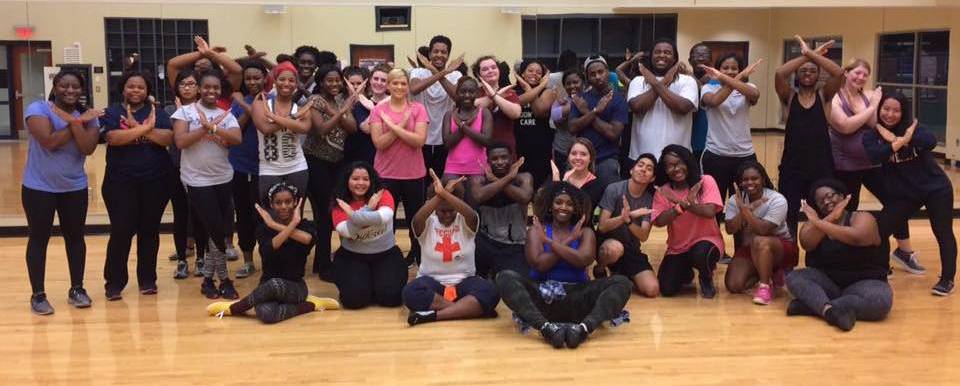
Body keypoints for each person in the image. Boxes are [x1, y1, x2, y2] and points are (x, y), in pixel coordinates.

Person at [496, 182, 632, 349]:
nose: (564, 207)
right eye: (558, 202)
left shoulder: (585, 232)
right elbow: (539, 265)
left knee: (622, 282)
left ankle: (583, 329)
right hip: (542, 297)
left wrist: (549, 243)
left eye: (569, 204)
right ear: (550, 206)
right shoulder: (537, 230)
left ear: (575, 209)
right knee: (505, 277)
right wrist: (566, 241)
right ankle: (546, 328)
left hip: (578, 296)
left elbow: (584, 259)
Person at [22, 69, 102, 315]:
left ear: (82, 90)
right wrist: (77, 122)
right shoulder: (38, 109)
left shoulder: (89, 116)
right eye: (65, 85)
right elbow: (50, 141)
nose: (70, 90)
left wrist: (76, 120)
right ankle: (38, 294)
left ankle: (77, 289)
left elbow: (88, 148)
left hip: (74, 187)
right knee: (39, 238)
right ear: (55, 87)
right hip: (38, 187)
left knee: (76, 238)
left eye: (76, 86)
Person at [205, 182, 341, 323]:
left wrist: (278, 224)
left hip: (296, 287)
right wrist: (274, 226)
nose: (283, 206)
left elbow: (307, 239)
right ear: (272, 205)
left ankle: (234, 307)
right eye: (278, 203)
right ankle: (311, 305)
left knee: (275, 284)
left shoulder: (306, 226)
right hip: (267, 285)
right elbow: (269, 248)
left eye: (288, 202)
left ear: (295, 202)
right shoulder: (263, 229)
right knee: (267, 314)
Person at [865, 91, 956, 295]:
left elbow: (930, 141)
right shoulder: (871, 135)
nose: (890, 114)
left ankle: (948, 279)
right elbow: (874, 156)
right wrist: (899, 141)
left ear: (903, 112)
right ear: (879, 110)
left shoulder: (912, 127)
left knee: (943, 232)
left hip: (936, 188)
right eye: (886, 109)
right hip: (905, 194)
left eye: (896, 110)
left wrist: (905, 137)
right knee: (879, 229)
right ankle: (880, 272)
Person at [827, 58, 915, 269]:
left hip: (873, 163)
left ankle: (904, 251)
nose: (861, 77)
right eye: (857, 72)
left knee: (895, 202)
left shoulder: (867, 96)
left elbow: (876, 123)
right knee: (848, 210)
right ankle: (844, 253)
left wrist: (870, 111)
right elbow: (845, 126)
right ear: (846, 73)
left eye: (865, 74)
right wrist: (874, 106)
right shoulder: (834, 99)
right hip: (845, 166)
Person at [100, 71, 173, 299]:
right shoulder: (112, 112)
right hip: (120, 183)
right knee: (122, 231)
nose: (135, 91)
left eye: (141, 87)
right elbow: (113, 138)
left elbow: (167, 139)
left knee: (149, 231)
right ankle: (114, 283)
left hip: (156, 181)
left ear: (147, 91)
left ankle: (147, 279)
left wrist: (134, 130)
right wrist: (144, 129)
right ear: (123, 89)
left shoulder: (157, 113)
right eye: (131, 86)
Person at [172, 70, 243, 300]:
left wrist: (213, 127)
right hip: (196, 180)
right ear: (199, 89)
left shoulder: (225, 114)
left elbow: (236, 139)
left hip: (223, 177)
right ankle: (224, 280)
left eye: (216, 88)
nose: (211, 91)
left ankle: (207, 280)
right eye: (207, 87)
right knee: (216, 229)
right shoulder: (185, 112)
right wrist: (203, 127)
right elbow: (181, 141)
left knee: (220, 231)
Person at [786, 179, 892, 332]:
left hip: (865, 283)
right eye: (820, 201)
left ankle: (816, 306)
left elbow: (857, 237)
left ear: (842, 197)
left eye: (830, 196)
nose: (827, 201)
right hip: (829, 283)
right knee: (794, 277)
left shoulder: (862, 217)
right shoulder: (816, 225)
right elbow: (807, 243)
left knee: (882, 300)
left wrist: (820, 223)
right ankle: (830, 311)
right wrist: (830, 218)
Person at [403, 170, 500, 326]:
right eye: (442, 210)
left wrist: (446, 195)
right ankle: (468, 310)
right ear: (434, 206)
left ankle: (433, 316)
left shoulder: (466, 220)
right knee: (410, 292)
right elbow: (417, 219)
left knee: (491, 291)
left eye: (451, 210)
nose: (447, 215)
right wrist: (441, 194)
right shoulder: (427, 222)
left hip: (465, 283)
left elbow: (471, 215)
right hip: (432, 284)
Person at [775, 36, 842, 239]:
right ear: (798, 73)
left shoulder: (824, 95)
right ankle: (790, 256)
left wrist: (812, 54)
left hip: (821, 166)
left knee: (823, 213)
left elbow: (838, 73)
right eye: (804, 69)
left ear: (818, 75)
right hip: (792, 166)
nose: (807, 73)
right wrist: (805, 56)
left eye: (813, 70)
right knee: (790, 214)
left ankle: (821, 257)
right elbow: (780, 73)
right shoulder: (789, 96)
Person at [369, 68, 429, 266]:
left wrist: (395, 126)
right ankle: (387, 258)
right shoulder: (379, 110)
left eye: (403, 83)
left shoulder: (418, 108)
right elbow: (379, 143)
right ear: (388, 86)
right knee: (387, 220)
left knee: (416, 218)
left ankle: (418, 256)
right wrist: (402, 125)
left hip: (413, 173)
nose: (399, 87)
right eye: (395, 83)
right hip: (386, 174)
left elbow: (419, 140)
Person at [304, 64, 359, 279]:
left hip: (337, 163)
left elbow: (352, 128)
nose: (334, 84)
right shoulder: (315, 101)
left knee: (335, 211)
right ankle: (324, 264)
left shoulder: (341, 101)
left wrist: (337, 111)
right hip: (316, 161)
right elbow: (321, 130)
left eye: (337, 80)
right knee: (324, 214)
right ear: (321, 82)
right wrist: (339, 113)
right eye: (329, 80)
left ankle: (324, 260)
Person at [331, 162, 408, 309]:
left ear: (372, 180)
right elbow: (347, 232)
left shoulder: (383, 194)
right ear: (347, 180)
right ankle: (368, 284)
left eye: (365, 179)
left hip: (385, 254)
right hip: (352, 256)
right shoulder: (340, 202)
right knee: (354, 301)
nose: (360, 183)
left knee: (391, 298)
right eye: (355, 179)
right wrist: (369, 208)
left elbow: (384, 217)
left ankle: (374, 283)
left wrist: (353, 216)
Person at [651, 145, 724, 298]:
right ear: (665, 170)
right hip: (678, 247)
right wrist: (679, 208)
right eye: (670, 166)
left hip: (707, 240)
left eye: (679, 163)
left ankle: (706, 277)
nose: (675, 168)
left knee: (701, 253)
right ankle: (686, 272)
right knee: (667, 289)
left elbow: (710, 212)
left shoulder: (705, 181)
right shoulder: (664, 190)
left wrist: (682, 203)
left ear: (688, 162)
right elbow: (659, 221)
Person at [722, 161, 798, 305]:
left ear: (763, 179)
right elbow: (730, 229)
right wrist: (746, 209)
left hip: (781, 247)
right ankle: (770, 272)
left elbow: (762, 230)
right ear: (740, 182)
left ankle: (764, 286)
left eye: (754, 178)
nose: (749, 182)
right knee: (734, 285)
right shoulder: (735, 199)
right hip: (750, 248)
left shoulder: (777, 199)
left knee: (759, 240)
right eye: (745, 179)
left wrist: (745, 211)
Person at [698, 54, 762, 220]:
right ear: (718, 70)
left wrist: (730, 79)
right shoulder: (707, 88)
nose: (730, 71)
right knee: (714, 207)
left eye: (735, 68)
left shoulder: (749, 87)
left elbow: (754, 95)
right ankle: (715, 245)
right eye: (725, 68)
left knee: (743, 208)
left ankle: (741, 246)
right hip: (716, 155)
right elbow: (714, 101)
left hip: (745, 156)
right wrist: (736, 78)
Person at [595, 154, 659, 297]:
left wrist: (628, 221)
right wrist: (624, 217)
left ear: (652, 178)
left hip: (631, 248)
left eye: (649, 169)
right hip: (609, 243)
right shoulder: (614, 189)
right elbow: (602, 227)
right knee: (615, 249)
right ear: (631, 170)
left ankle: (623, 273)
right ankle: (599, 269)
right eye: (640, 165)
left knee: (652, 289)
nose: (643, 170)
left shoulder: (649, 199)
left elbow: (643, 236)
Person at [627, 39, 699, 161]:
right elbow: (637, 108)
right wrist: (663, 82)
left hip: (678, 157)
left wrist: (655, 83)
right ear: (651, 57)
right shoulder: (638, 81)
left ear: (675, 58)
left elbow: (683, 108)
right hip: (643, 156)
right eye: (657, 52)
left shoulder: (687, 81)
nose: (662, 55)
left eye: (667, 52)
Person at [227, 61, 268, 278]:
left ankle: (268, 260)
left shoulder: (272, 100)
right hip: (240, 166)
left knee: (265, 216)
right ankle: (248, 261)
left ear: (265, 78)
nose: (252, 82)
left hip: (266, 168)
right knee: (243, 215)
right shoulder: (238, 103)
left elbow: (266, 123)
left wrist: (244, 104)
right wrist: (245, 106)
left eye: (257, 77)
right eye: (248, 78)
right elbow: (237, 129)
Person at [470, 143, 532, 278]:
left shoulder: (524, 177)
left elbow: (525, 197)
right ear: (488, 161)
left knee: (516, 281)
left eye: (504, 158)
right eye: (495, 159)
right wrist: (507, 178)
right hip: (485, 243)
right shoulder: (478, 180)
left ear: (511, 159)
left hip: (514, 245)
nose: (500, 162)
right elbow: (478, 196)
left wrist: (497, 180)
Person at [251, 61, 311, 198]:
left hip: (297, 167)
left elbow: (305, 128)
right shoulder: (260, 104)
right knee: (271, 212)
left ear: (296, 85)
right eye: (282, 79)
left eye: (291, 80)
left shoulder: (301, 108)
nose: (286, 83)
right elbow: (265, 129)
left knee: (296, 212)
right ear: (274, 82)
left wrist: (273, 117)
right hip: (269, 169)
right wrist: (293, 118)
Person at [568, 55, 629, 187]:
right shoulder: (580, 99)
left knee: (609, 203)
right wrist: (595, 111)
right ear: (587, 77)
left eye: (601, 72)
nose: (597, 77)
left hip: (607, 159)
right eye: (592, 74)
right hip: (581, 159)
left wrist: (586, 112)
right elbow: (572, 128)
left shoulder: (618, 100)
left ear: (607, 72)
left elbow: (613, 134)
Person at [166, 71, 204, 279]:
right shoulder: (170, 109)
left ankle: (200, 258)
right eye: (183, 84)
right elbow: (175, 137)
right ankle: (182, 259)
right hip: (176, 167)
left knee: (199, 214)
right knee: (180, 214)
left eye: (192, 83)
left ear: (198, 87)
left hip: (199, 168)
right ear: (177, 88)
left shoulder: (205, 108)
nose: (187, 87)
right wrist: (181, 113)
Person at [410, 35, 464, 177]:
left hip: (445, 138)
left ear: (448, 55)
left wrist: (441, 74)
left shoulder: (456, 75)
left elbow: (457, 97)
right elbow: (414, 89)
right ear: (429, 54)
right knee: (421, 179)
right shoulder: (417, 72)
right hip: (420, 137)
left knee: (441, 181)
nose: (439, 55)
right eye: (435, 51)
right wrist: (442, 72)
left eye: (443, 52)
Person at [513, 59, 555, 189]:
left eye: (538, 72)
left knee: (539, 190)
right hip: (517, 149)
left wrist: (532, 88)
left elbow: (539, 111)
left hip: (541, 149)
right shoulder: (512, 91)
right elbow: (516, 103)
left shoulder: (548, 92)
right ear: (522, 74)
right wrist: (532, 88)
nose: (534, 74)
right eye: (530, 70)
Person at [166, 36, 242, 104]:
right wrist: (204, 53)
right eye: (198, 63)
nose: (202, 64)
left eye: (206, 67)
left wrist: (210, 53)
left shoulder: (224, 89)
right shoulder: (186, 89)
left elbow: (237, 70)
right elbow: (172, 65)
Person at [442, 77, 492, 179]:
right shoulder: (449, 114)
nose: (467, 95)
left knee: (474, 194)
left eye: (471, 92)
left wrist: (463, 126)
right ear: (457, 93)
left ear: (477, 93)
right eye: (463, 92)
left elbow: (486, 141)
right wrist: (466, 125)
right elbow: (447, 144)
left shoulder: (484, 113)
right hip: (453, 168)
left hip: (478, 168)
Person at [472, 55, 521, 153]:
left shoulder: (509, 92)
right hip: (478, 149)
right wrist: (497, 96)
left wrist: (494, 95)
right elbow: (471, 108)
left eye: (494, 67)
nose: (490, 71)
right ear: (478, 75)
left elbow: (515, 113)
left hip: (504, 151)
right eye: (485, 69)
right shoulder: (473, 93)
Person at [550, 138, 605, 217]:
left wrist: (563, 186)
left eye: (583, 154)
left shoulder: (597, 185)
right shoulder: (558, 176)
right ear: (568, 157)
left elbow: (580, 212)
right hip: (557, 225)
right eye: (574, 153)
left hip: (582, 227)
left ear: (591, 158)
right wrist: (557, 183)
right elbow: (549, 208)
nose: (578, 158)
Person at [344, 65, 384, 166]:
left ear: (365, 84)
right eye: (352, 83)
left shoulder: (370, 102)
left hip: (372, 150)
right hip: (351, 151)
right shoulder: (342, 102)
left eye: (359, 83)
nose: (355, 86)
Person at [545, 69, 585, 171]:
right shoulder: (561, 101)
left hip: (584, 151)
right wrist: (574, 105)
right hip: (562, 151)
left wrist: (566, 111)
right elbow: (555, 116)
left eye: (575, 82)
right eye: (568, 84)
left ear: (583, 82)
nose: (572, 86)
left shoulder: (589, 99)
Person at [687, 43, 713, 163]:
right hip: (688, 139)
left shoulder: (720, 81)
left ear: (711, 60)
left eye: (705, 55)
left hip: (713, 144)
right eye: (697, 55)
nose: (701, 58)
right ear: (689, 60)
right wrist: (696, 81)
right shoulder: (683, 79)